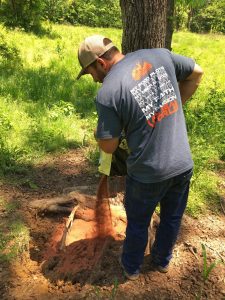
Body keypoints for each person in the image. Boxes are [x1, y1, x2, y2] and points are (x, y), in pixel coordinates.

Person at [77, 35, 203, 280]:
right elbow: (197, 73)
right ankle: (161, 261)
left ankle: (131, 268)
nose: (93, 79)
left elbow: (110, 147)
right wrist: (170, 107)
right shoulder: (160, 55)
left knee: (137, 221)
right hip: (182, 164)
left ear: (101, 63)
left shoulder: (108, 92)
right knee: (172, 218)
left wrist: (98, 133)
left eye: (90, 71)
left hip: (148, 173)